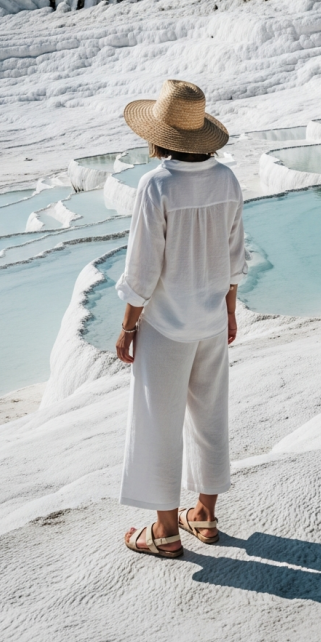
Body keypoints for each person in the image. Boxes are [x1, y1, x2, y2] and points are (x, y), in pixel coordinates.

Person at [115, 78, 247, 558]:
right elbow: (235, 256)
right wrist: (229, 312)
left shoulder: (157, 185)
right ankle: (205, 517)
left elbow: (143, 268)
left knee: (159, 421)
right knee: (210, 416)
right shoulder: (226, 179)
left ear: (160, 136)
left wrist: (128, 327)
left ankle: (165, 531)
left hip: (166, 326)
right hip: (210, 321)